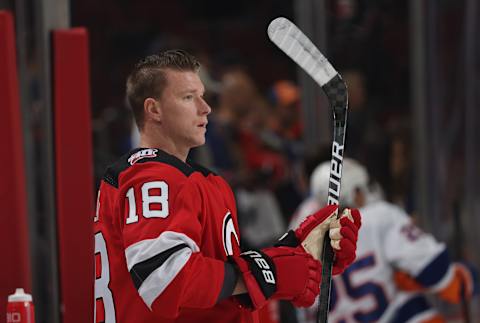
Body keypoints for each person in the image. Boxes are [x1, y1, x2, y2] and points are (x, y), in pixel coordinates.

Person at [93, 49, 362, 323]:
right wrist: (266, 272)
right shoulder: (152, 176)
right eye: (188, 97)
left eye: (202, 96)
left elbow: (219, 284)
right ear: (154, 109)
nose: (205, 107)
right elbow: (164, 279)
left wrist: (295, 252)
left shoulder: (196, 180)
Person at [290, 158, 476, 323]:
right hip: (390, 315)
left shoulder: (305, 243)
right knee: (415, 307)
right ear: (354, 192)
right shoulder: (378, 216)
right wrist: (468, 276)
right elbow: (437, 272)